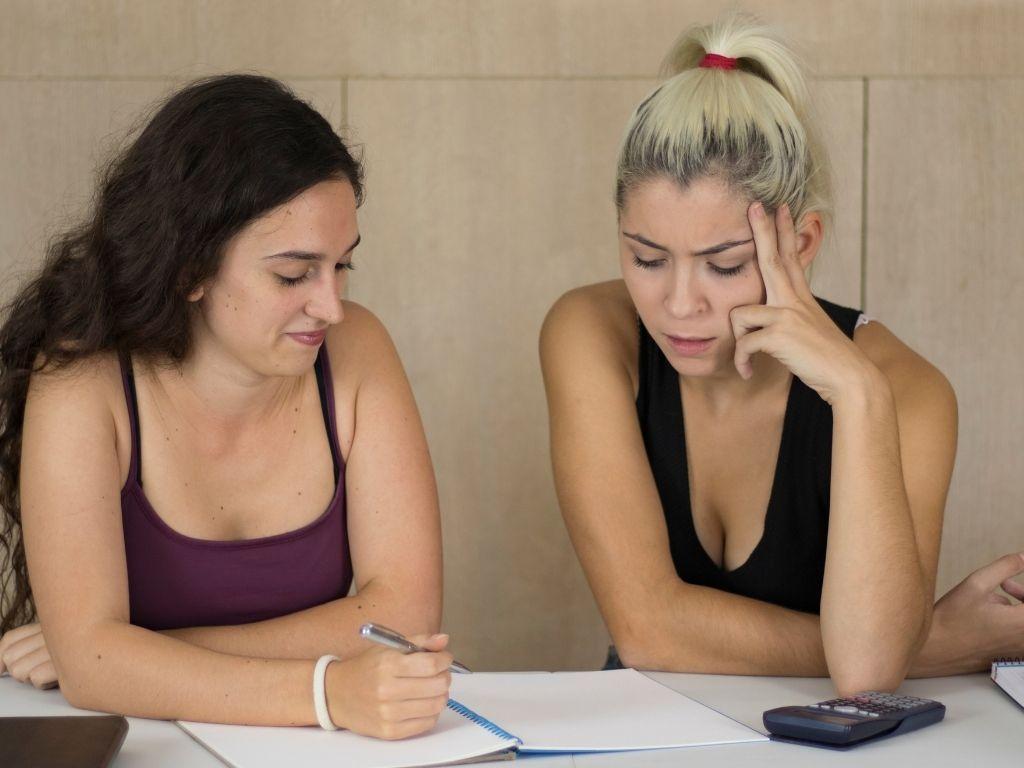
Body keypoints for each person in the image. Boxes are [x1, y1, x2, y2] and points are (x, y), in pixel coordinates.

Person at [540, 13, 1024, 693]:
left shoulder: (906, 393)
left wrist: (856, 396)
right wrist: (937, 643)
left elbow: (868, 672)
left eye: (724, 264)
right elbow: (647, 630)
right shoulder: (591, 332)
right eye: (647, 257)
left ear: (800, 243)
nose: (680, 305)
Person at [0, 74, 451, 738]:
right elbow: (96, 666)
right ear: (189, 270)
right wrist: (328, 691)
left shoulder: (357, 350)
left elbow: (405, 616)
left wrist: (133, 654)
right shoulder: (83, 381)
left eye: (342, 266)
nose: (330, 306)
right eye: (293, 275)